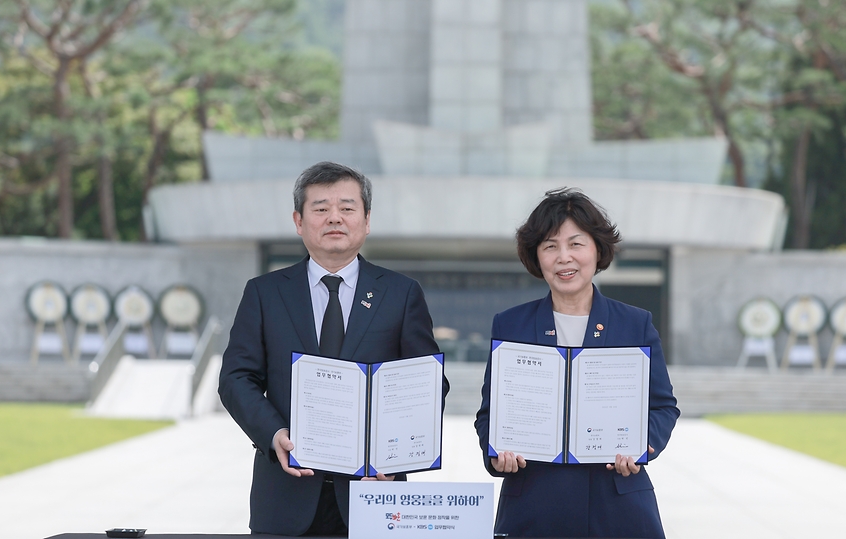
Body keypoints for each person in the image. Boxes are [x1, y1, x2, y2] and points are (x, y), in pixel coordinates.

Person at [219, 161, 449, 536]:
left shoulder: (401, 293)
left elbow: (427, 382)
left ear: (367, 219)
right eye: (321, 209)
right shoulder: (264, 293)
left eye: (346, 208)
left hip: (375, 491)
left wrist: (397, 453)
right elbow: (236, 378)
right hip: (284, 493)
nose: (334, 218)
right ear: (299, 220)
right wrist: (274, 434)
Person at [474, 188, 680, 538]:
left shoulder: (635, 323)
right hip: (535, 505)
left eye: (576, 244)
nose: (564, 257)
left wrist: (643, 444)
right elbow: (490, 414)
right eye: (550, 246)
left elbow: (663, 406)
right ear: (536, 256)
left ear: (597, 249)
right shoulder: (511, 325)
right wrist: (495, 453)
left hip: (618, 504)